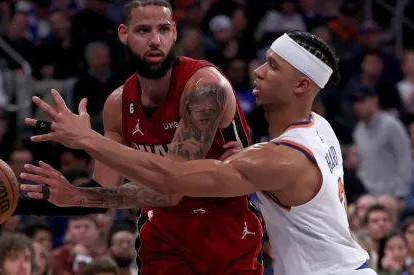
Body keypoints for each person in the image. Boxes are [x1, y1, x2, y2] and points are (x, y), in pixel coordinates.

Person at [21, 30, 378, 275]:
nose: (258, 71)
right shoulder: (318, 127)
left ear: (302, 85)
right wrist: (249, 155)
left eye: (273, 66)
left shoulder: (280, 159)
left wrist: (87, 140)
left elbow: (171, 179)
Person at [17, 1, 262, 275]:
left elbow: (173, 185)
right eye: (143, 30)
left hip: (226, 228)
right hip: (163, 235)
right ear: (124, 34)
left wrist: (88, 140)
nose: (155, 40)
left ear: (175, 33)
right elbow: (105, 188)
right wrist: (22, 203)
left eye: (164, 29)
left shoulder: (205, 87)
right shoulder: (117, 104)